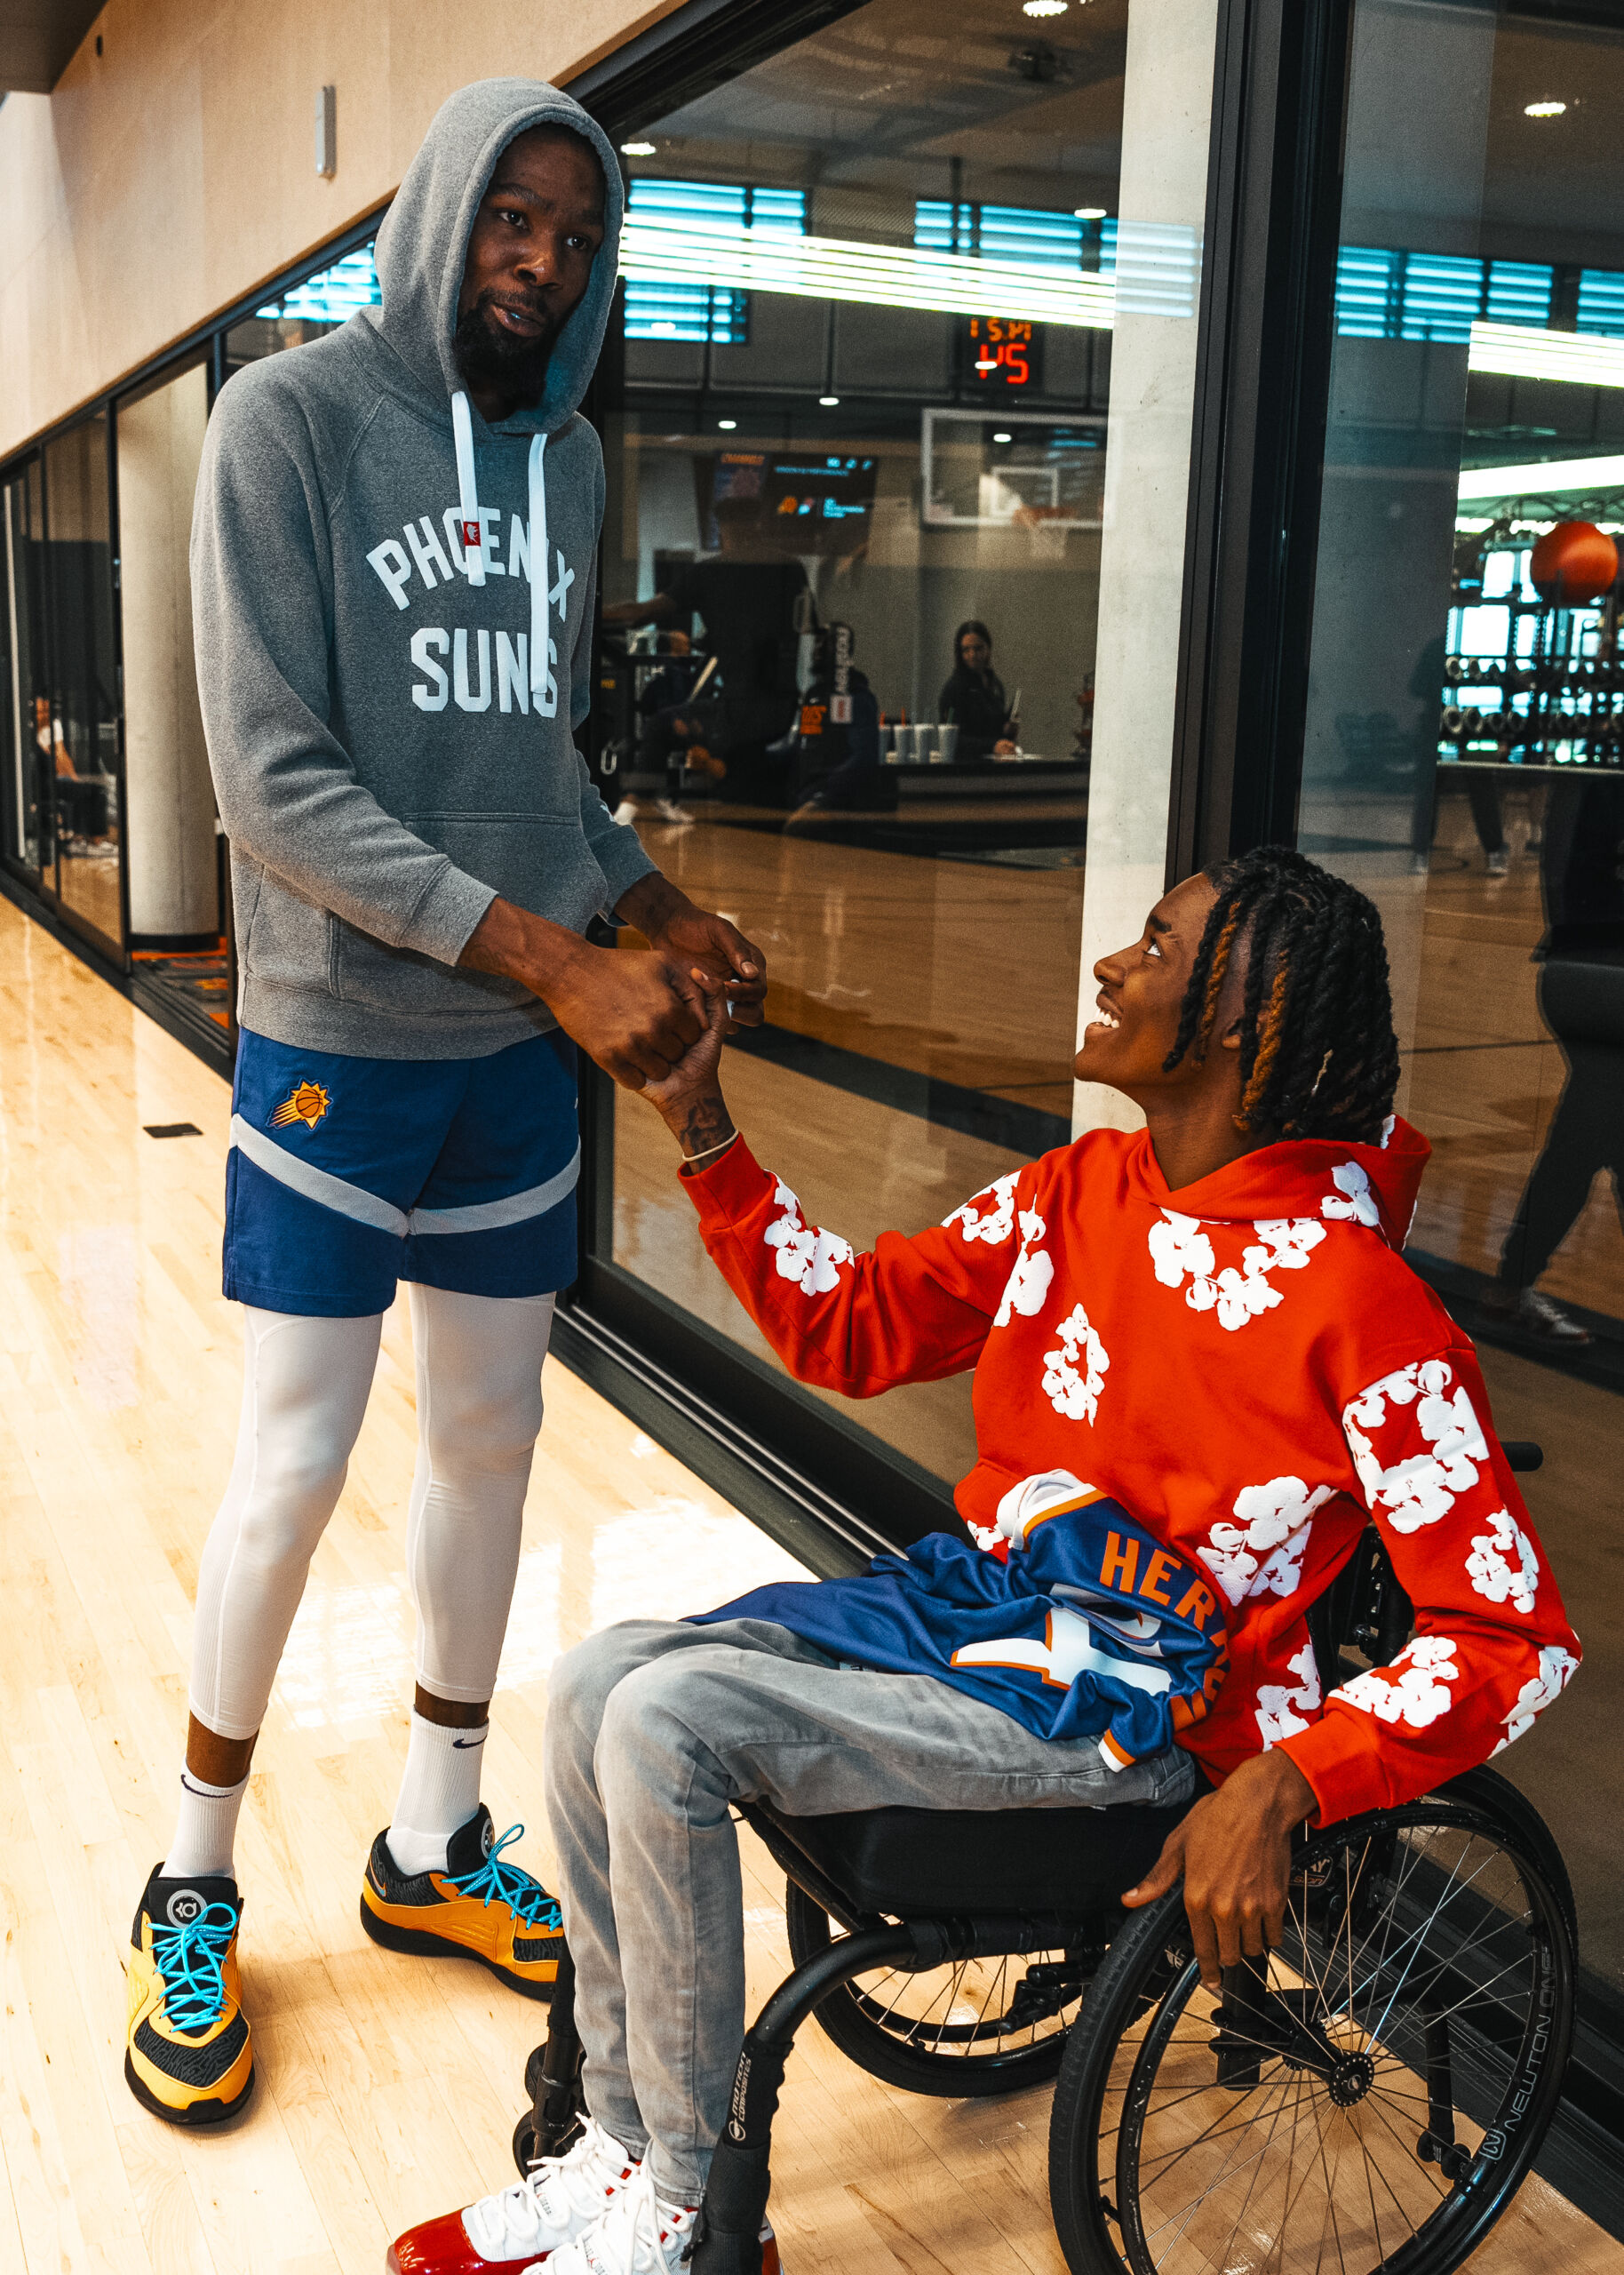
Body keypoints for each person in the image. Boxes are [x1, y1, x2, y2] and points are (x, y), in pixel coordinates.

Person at [390, 845, 1580, 2275]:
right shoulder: (1083, 1191)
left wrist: (1290, 1781)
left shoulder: (1365, 1310)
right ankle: (624, 2150)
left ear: (1249, 1021)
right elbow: (849, 1326)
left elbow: (1511, 1635)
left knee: (667, 1720)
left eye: (1156, 946)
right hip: (987, 1622)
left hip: (1141, 1719)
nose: (1111, 964)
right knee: (597, 1678)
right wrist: (700, 1123)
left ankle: (698, 2217)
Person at [122, 78, 767, 2131]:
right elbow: (269, 779)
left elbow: (534, 762)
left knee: (491, 1441)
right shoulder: (287, 423)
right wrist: (558, 958)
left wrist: (640, 894)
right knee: (295, 1458)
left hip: (505, 1067)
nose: (543, 261)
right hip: (338, 1042)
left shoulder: (564, 462)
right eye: (514, 216)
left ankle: (431, 1834)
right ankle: (190, 1877)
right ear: (441, 210)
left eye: (577, 234)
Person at [1482, 774, 1624, 1345]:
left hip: (1580, 972)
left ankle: (1510, 1286)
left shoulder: (1590, 779)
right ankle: (1510, 1285)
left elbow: (1561, 871)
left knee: (1593, 1139)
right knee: (1586, 1141)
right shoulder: (1597, 781)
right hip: (1598, 980)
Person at [603, 497, 808, 814]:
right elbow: (803, 626)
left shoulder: (710, 573)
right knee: (735, 779)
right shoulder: (791, 568)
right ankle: (682, 801)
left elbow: (640, 615)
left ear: (722, 530)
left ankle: (631, 809)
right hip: (781, 711)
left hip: (738, 713)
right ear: (759, 525)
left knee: (660, 726)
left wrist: (589, 612)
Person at [939, 618, 1016, 759]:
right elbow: (953, 739)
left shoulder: (994, 684)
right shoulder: (955, 688)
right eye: (966, 650)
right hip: (965, 765)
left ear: (988, 648)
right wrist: (993, 745)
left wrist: (1007, 731)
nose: (972, 655)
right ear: (960, 653)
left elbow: (993, 729)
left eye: (978, 648)